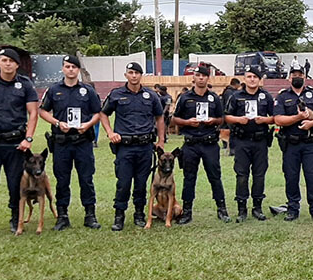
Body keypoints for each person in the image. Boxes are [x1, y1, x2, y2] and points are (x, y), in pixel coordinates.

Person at [39, 55, 102, 231]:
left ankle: (90, 215)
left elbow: (98, 112)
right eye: (67, 66)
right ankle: (62, 216)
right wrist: (58, 123)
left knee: (86, 179)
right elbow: (42, 111)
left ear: (78, 70)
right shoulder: (53, 90)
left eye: (74, 67)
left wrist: (88, 125)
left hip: (83, 141)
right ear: (62, 69)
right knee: (62, 180)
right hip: (62, 142)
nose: (71, 70)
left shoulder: (87, 90)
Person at [0, 48, 39, 237]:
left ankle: (16, 218)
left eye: (11, 61)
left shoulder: (25, 84)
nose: (7, 64)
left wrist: (28, 138)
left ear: (17, 64)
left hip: (16, 143)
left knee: (15, 184)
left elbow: (33, 113)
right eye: (4, 60)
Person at [100, 62, 165, 231]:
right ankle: (119, 216)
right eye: (130, 72)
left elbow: (159, 117)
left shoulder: (151, 96)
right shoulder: (116, 94)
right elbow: (103, 113)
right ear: (126, 75)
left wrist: (161, 140)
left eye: (137, 72)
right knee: (123, 183)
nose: (134, 75)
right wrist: (109, 132)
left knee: (141, 183)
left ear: (141, 75)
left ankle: (139, 214)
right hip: (125, 147)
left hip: (145, 146)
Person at [172, 66, 230, 224]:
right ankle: (187, 211)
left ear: (208, 78)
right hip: (191, 143)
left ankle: (222, 209)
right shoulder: (184, 98)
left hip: (209, 143)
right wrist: (187, 122)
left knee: (215, 177)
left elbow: (221, 119)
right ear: (194, 78)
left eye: (204, 76)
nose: (201, 78)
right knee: (189, 178)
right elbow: (174, 119)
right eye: (198, 75)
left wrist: (214, 121)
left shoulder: (214, 98)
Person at [274, 65, 313, 222]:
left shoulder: (312, 93)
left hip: (310, 144)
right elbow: (278, 119)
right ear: (289, 78)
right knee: (291, 177)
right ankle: (292, 208)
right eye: (294, 75)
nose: (297, 77)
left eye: (300, 75)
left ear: (304, 77)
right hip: (291, 144)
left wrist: (311, 123)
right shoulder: (283, 96)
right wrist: (297, 118)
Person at [225, 67, 275, 222]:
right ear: (244, 79)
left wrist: (265, 120)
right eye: (249, 76)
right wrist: (239, 120)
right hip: (242, 140)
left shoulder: (266, 96)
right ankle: (241, 209)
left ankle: (257, 208)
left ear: (259, 79)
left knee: (259, 175)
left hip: (260, 141)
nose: (252, 79)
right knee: (242, 175)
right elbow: (227, 116)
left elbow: (275, 117)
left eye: (255, 76)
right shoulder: (236, 96)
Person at [221, 78, 241, 155]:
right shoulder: (230, 92)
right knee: (231, 131)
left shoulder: (227, 91)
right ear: (236, 84)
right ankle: (231, 149)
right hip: (229, 114)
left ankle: (229, 146)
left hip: (227, 114)